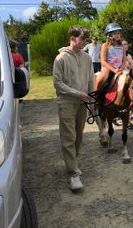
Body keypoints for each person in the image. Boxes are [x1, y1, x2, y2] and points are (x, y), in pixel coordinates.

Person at [53, 25, 94, 191]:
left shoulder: (87, 57)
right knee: (68, 136)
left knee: (78, 136)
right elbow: (58, 84)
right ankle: (73, 174)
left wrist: (92, 97)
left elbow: (91, 79)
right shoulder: (60, 59)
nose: (84, 42)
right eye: (82, 39)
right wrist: (78, 93)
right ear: (72, 38)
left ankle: (72, 163)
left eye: (85, 39)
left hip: (82, 102)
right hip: (66, 102)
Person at [95, 23, 125, 91]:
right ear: (109, 35)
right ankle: (96, 94)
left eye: (118, 33)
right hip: (108, 69)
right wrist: (114, 70)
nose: (117, 35)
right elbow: (103, 61)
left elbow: (124, 60)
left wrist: (121, 68)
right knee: (102, 77)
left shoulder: (122, 46)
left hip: (120, 69)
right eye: (115, 33)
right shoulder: (105, 46)